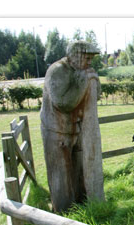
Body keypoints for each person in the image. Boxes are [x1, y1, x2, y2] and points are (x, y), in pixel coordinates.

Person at [40, 41, 104, 212]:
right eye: (87, 57)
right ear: (75, 55)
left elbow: (96, 95)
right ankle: (63, 210)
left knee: (79, 170)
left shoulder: (82, 71)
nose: (90, 62)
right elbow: (64, 103)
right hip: (56, 131)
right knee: (61, 173)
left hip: (77, 130)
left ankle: (82, 203)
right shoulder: (57, 71)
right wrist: (83, 81)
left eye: (91, 58)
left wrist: (94, 81)